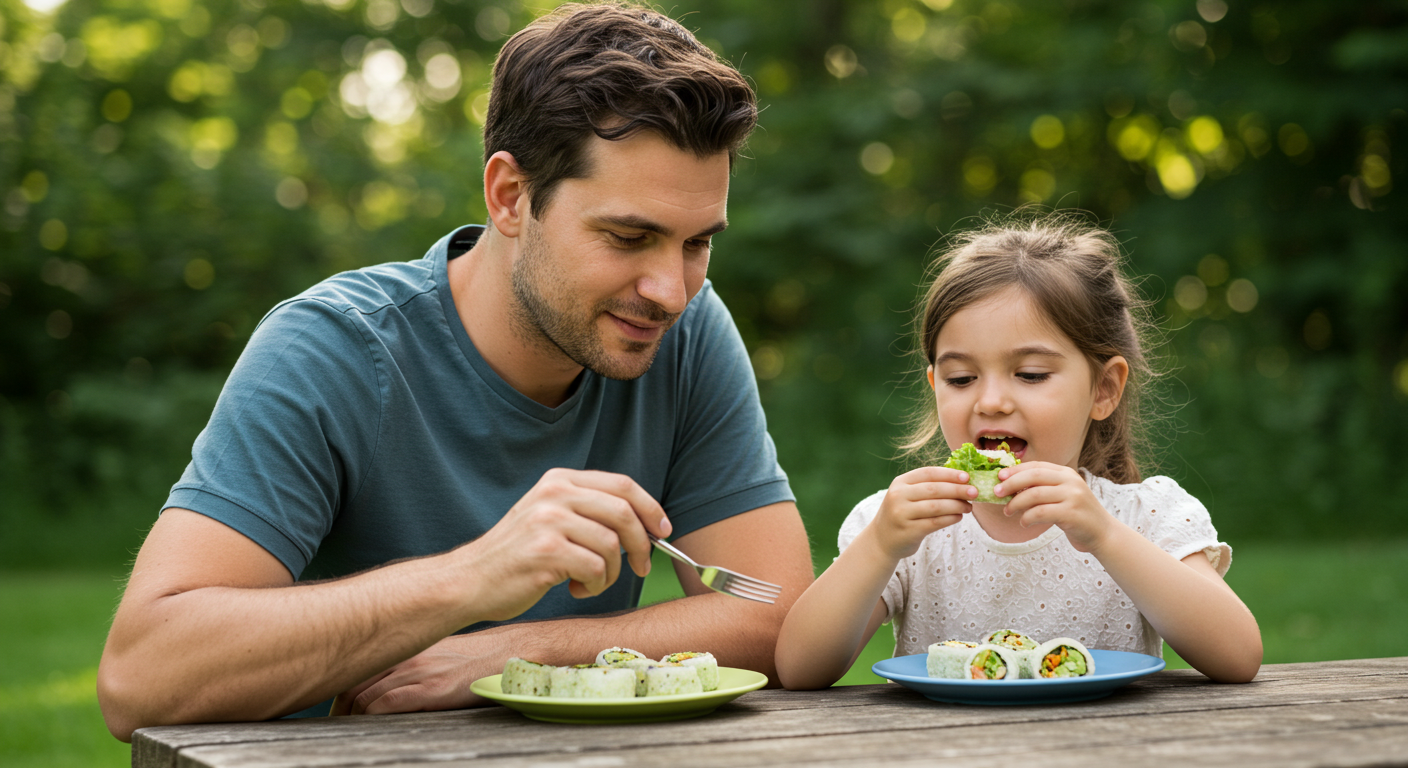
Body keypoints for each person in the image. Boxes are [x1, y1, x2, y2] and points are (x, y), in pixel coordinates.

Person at [97, 2, 814, 741]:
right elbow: (140, 679)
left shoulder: (682, 329)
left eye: (698, 243)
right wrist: (471, 578)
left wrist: (511, 652)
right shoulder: (336, 349)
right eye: (629, 236)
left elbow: (782, 615)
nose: (670, 288)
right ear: (510, 196)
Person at [774, 213, 1262, 689]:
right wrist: (879, 546)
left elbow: (1238, 657)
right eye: (961, 379)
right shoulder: (901, 526)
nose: (990, 401)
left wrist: (1105, 536)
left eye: (1030, 374)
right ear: (934, 386)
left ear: (1103, 390)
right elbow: (800, 668)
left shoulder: (1143, 516)